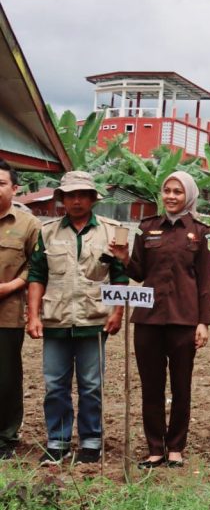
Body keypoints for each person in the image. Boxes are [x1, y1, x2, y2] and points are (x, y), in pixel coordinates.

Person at [110, 171, 210, 469]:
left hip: (184, 320)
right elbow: (140, 273)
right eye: (167, 190)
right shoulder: (147, 228)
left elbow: (205, 282)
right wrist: (123, 258)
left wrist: (203, 322)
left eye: (177, 192)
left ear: (188, 196)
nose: (170, 196)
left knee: (182, 386)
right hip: (148, 320)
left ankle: (176, 447)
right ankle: (156, 447)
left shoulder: (200, 232)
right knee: (151, 386)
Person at [25, 171, 125, 465]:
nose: (77, 200)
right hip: (55, 320)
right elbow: (36, 275)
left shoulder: (111, 231)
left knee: (91, 384)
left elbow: (119, 275)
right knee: (54, 383)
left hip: (94, 319)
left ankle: (91, 441)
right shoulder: (48, 232)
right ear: (62, 200)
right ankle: (58, 440)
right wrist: (33, 315)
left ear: (93, 198)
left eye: (83, 194)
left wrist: (118, 311)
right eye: (70, 195)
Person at [0, 159, 41, 460]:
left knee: (6, 377)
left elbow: (36, 267)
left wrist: (12, 286)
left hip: (8, 313)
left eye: (1, 183)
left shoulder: (29, 225)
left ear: (15, 188)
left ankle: (5, 437)